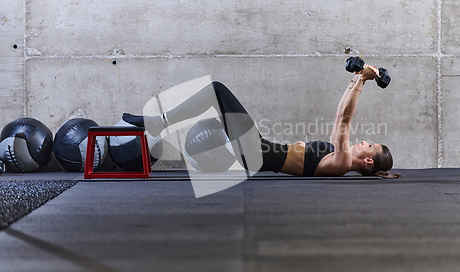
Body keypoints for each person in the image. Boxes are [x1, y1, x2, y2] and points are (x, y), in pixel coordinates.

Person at [123, 63, 400, 178]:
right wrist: (357, 77)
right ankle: (161, 122)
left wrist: (362, 79)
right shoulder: (334, 155)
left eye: (370, 145)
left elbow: (345, 118)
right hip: (256, 151)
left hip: (255, 152)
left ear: (368, 162)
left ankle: (160, 122)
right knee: (216, 93)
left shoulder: (340, 163)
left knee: (217, 90)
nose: (364, 141)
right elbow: (340, 113)